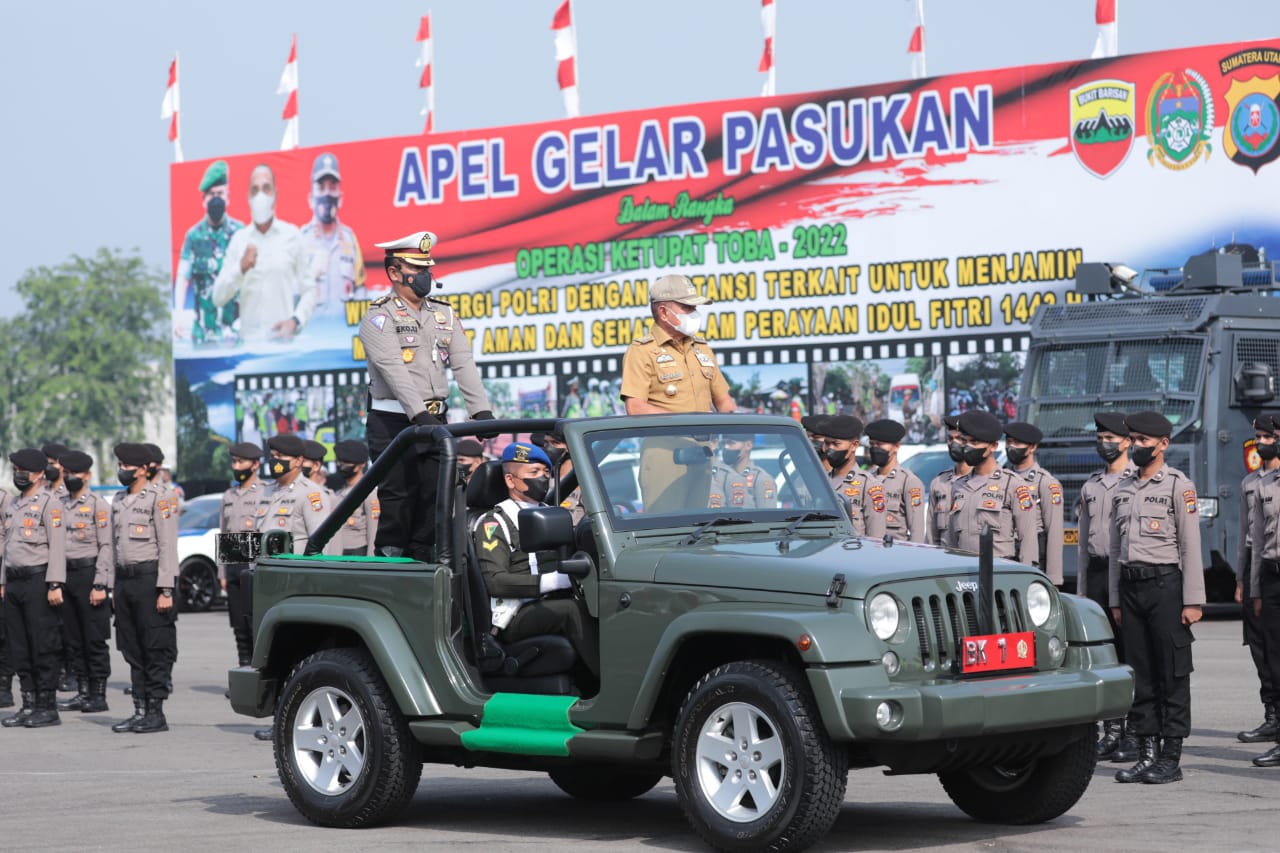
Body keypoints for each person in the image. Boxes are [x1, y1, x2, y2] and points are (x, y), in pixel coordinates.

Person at [357, 230, 494, 560]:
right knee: (399, 499)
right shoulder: (378, 317)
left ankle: (423, 563)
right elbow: (393, 369)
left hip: (434, 419)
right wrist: (418, 415)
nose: (425, 276)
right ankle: (391, 566)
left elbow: (462, 362)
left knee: (436, 497)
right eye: (417, 269)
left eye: (427, 268)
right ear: (394, 273)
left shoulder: (443, 313)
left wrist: (481, 412)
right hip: (393, 421)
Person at [1108, 410, 1204, 784]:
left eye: (1144, 441)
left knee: (1172, 673)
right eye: (1133, 440)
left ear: (1163, 444)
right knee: (1140, 674)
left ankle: (1171, 757)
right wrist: (1115, 598)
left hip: (1165, 586)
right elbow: (1117, 548)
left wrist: (1193, 600)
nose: (1136, 447)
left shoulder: (1180, 486)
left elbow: (1191, 546)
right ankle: (1146, 753)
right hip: (1131, 588)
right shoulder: (1124, 487)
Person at [473, 442, 599, 678]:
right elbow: (495, 581)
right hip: (516, 612)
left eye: (545, 473)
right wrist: (552, 581)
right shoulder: (494, 523)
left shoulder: (551, 513)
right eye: (533, 473)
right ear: (511, 481)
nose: (542, 478)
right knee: (572, 610)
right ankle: (610, 685)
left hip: (552, 600)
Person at [620, 274, 735, 513]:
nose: (694, 312)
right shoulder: (642, 351)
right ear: (663, 312)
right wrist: (687, 425)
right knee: (667, 531)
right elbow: (636, 408)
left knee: (698, 528)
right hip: (665, 455)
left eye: (694, 307)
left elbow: (724, 400)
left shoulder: (701, 349)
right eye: (687, 307)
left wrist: (734, 428)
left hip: (703, 454)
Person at [1075, 412, 1135, 761]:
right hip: (1096, 574)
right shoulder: (1092, 485)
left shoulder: (1132, 482)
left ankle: (1131, 731)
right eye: (1100, 438)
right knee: (1102, 654)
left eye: (1111, 438)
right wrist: (1082, 590)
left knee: (1127, 652)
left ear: (1127, 441)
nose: (1104, 444)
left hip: (1122, 575)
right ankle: (1111, 730)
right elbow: (1083, 544)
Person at [109, 442, 179, 734]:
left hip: (149, 580)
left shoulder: (161, 498)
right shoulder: (119, 500)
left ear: (142, 469)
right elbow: (113, 547)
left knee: (155, 646)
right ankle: (139, 708)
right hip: (125, 582)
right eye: (120, 465)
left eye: (126, 466)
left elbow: (167, 546)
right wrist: (113, 587)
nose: (122, 470)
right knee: (131, 645)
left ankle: (155, 711)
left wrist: (165, 589)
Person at [212, 163, 315, 344]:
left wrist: (296, 321)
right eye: (255, 190)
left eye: (266, 189)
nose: (260, 195)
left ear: (275, 195)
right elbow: (218, 297)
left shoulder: (292, 236)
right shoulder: (239, 241)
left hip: (283, 352)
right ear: (248, 197)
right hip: (248, 350)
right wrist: (240, 268)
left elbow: (310, 290)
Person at [0, 449, 67, 728]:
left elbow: (58, 546)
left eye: (23, 470)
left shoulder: (51, 503)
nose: (18, 475)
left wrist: (54, 583)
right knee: (19, 645)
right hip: (14, 580)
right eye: (15, 469)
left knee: (42, 644)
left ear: (40, 473)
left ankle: (46, 705)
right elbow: (6, 546)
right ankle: (29, 703)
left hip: (39, 580)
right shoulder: (13, 503)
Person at [54, 451, 113, 714]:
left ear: (87, 475)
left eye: (74, 474)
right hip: (66, 576)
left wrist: (101, 583)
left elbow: (106, 546)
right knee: (73, 638)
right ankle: (82, 691)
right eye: (66, 473)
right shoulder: (60, 504)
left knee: (93, 638)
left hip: (89, 575)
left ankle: (98, 693)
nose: (69, 478)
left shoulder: (98, 505)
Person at [943, 411, 1039, 563]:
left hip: (999, 571)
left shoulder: (1012, 485)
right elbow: (951, 541)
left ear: (993, 446)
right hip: (963, 573)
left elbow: (1028, 539)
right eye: (964, 441)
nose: (967, 448)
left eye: (974, 443)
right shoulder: (958, 486)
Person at [1240, 414, 1280, 746]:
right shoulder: (1252, 483)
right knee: (1263, 649)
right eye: (1258, 436)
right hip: (1262, 568)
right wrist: (1246, 582)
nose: (1261, 442)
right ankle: (1273, 716)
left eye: (1268, 436)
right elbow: (1246, 537)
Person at [174, 160, 244, 344]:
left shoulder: (240, 233)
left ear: (228, 197)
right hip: (203, 335)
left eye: (220, 194)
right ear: (203, 200)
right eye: (211, 195)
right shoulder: (194, 236)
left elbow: (252, 277)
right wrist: (178, 314)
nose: (216, 199)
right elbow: (183, 277)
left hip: (234, 333)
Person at [220, 442, 273, 668]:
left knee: (255, 624)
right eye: (234, 461)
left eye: (241, 462)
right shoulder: (229, 495)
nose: (236, 466)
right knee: (238, 626)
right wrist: (221, 570)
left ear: (255, 464)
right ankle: (243, 668)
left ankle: (257, 671)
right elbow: (224, 532)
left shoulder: (265, 491)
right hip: (233, 562)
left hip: (253, 565)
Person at [301, 153, 366, 315]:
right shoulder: (299, 241)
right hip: (310, 335)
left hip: (342, 337)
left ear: (340, 198)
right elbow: (288, 297)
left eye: (332, 187)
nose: (326, 194)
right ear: (310, 199)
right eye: (321, 188)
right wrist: (310, 276)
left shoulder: (350, 239)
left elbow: (360, 293)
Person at [258, 435, 342, 557]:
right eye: (272, 456)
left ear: (298, 461)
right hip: (263, 571)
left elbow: (320, 547)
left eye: (280, 456)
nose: (275, 461)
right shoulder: (265, 491)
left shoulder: (311, 494)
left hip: (292, 572)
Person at [1004, 421, 1066, 586]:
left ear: (1032, 448)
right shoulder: (1002, 479)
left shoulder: (1045, 483)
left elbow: (1054, 532)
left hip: (1036, 556)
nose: (1011, 447)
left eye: (1017, 443)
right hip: (1007, 553)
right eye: (1008, 442)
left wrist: (1054, 578)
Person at [820, 415, 885, 537]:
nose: (830, 449)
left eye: (836, 444)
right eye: (827, 443)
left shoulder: (869, 485)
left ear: (854, 445)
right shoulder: (821, 482)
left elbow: (876, 538)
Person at [865, 419, 925, 542]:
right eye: (872, 444)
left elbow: (916, 530)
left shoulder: (908, 481)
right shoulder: (867, 480)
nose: (875, 449)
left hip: (897, 552)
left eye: (880, 444)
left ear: (896, 446)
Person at [927, 415, 970, 545]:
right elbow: (931, 534)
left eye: (960, 439)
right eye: (950, 439)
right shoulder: (939, 483)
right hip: (945, 559)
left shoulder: (983, 481)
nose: (953, 443)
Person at [333, 440, 379, 556]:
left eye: (346, 462)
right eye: (339, 461)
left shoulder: (368, 492)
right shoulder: (338, 493)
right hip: (338, 553)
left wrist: (371, 563)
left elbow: (373, 532)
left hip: (358, 553)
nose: (340, 465)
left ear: (361, 464)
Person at [709, 433, 777, 510]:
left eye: (731, 443)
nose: (726, 447)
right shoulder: (719, 475)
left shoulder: (761, 479)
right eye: (724, 443)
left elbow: (767, 516)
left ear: (748, 445)